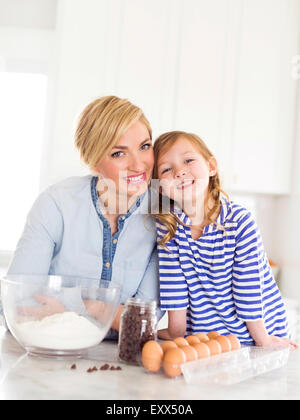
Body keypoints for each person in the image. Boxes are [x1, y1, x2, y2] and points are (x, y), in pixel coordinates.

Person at [6, 95, 164, 338]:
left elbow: (142, 324)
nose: (139, 165)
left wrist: (87, 306)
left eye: (144, 146)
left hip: (120, 361)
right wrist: (113, 315)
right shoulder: (56, 204)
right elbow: (20, 305)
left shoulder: (165, 214)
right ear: (93, 163)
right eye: (118, 154)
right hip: (50, 349)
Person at [153, 130, 298, 349]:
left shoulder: (239, 221)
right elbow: (175, 288)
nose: (180, 172)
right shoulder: (169, 229)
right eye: (166, 169)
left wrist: (263, 340)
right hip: (209, 342)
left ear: (211, 167)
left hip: (259, 333)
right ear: (159, 186)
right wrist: (176, 332)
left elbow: (247, 287)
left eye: (188, 160)